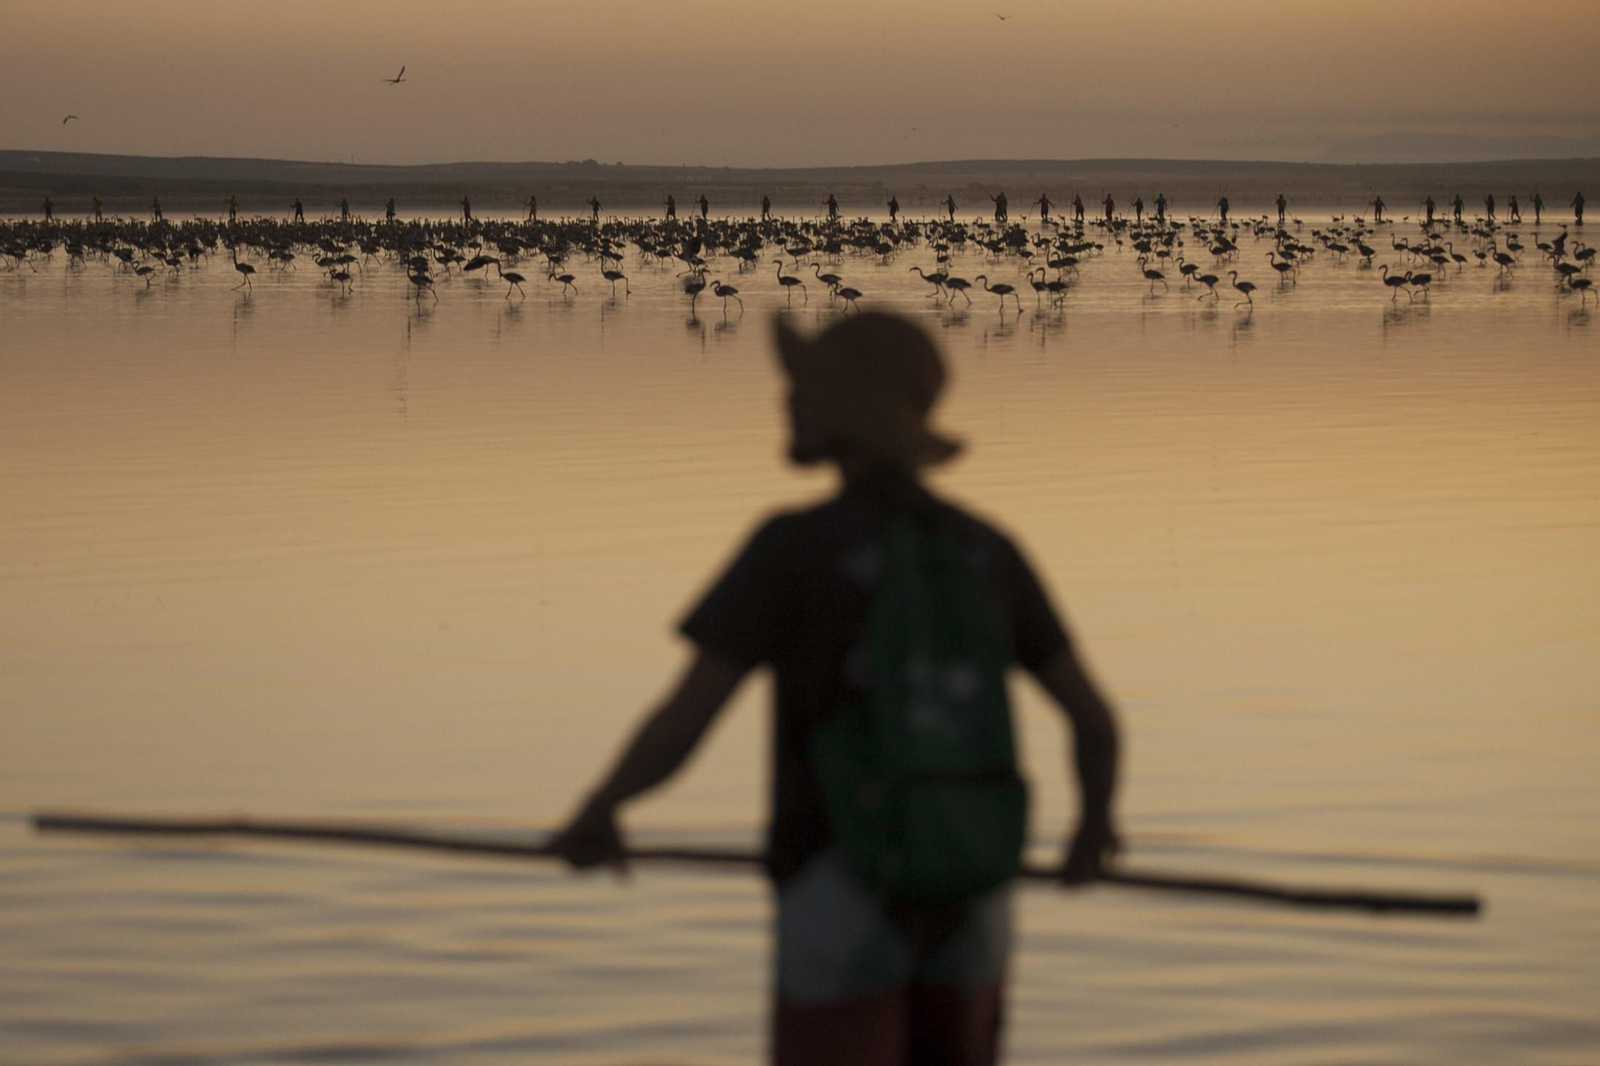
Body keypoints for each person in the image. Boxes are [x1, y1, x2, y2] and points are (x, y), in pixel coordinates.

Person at [550, 312, 1122, 1066]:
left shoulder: (792, 549)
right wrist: (1091, 830)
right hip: (972, 898)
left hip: (835, 893)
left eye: (804, 388)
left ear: (848, 409)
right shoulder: (985, 551)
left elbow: (684, 722)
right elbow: (1093, 720)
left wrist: (602, 807)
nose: (786, 404)